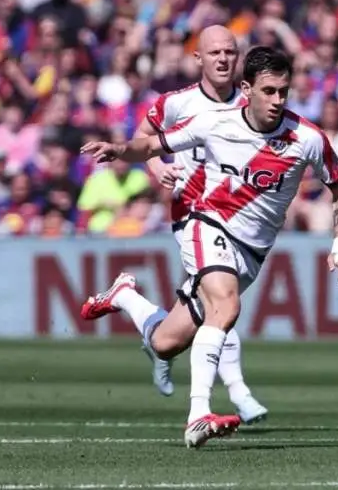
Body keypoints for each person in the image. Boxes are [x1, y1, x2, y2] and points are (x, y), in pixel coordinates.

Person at [79, 46, 338, 447]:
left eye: (283, 91)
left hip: (251, 252)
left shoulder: (307, 138)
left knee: (165, 343)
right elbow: (153, 145)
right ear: (246, 89)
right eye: (269, 91)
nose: (278, 100)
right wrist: (121, 149)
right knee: (226, 306)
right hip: (206, 223)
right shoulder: (213, 122)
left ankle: (124, 296)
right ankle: (198, 415)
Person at [118, 25, 265, 420]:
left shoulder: (252, 103)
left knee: (200, 312)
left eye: (229, 52)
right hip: (193, 213)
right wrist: (157, 168)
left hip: (237, 217)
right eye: (214, 52)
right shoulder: (176, 103)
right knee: (221, 299)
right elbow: (142, 139)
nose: (223, 59)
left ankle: (135, 310)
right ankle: (238, 392)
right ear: (198, 58)